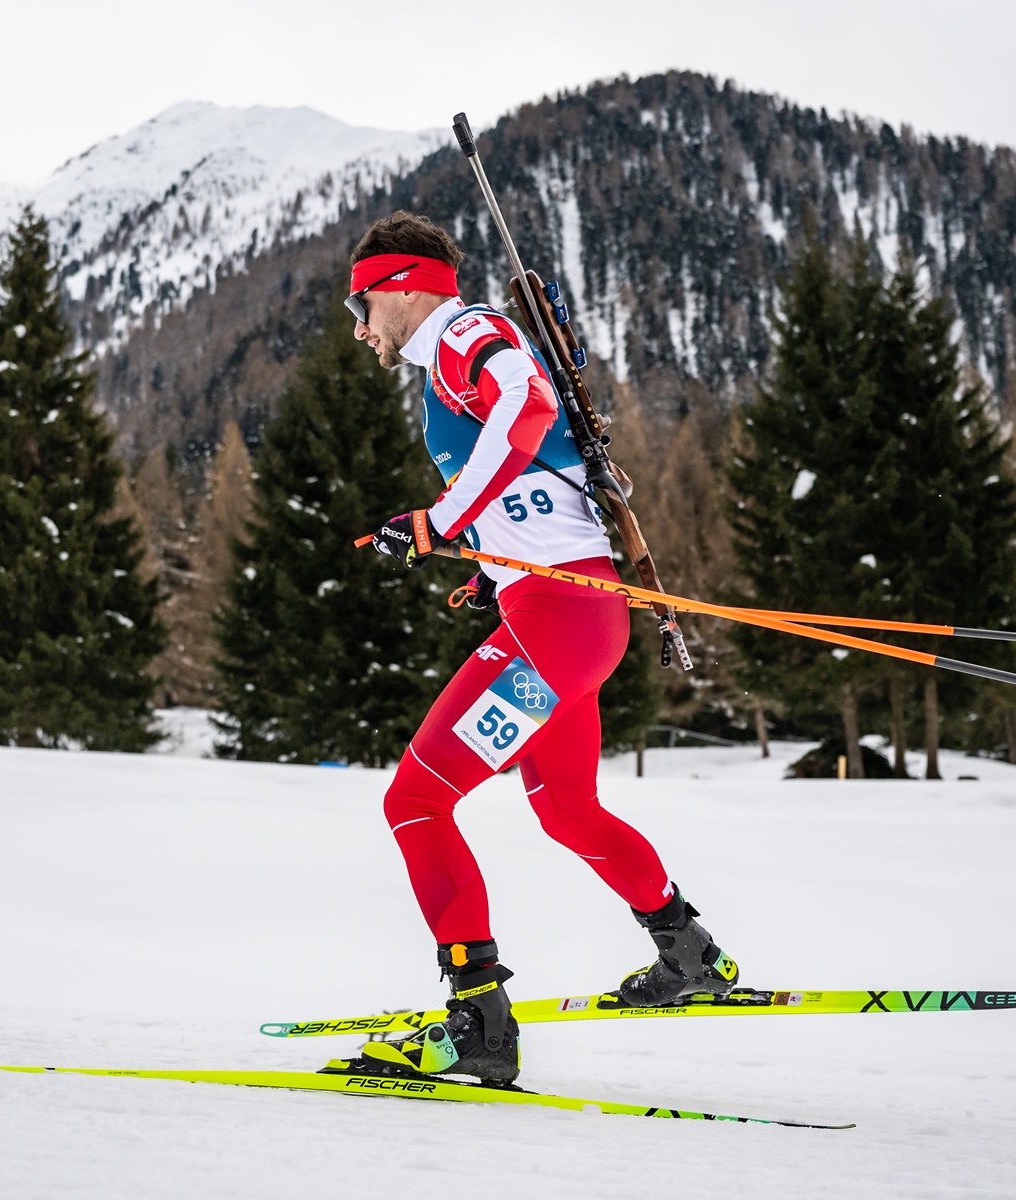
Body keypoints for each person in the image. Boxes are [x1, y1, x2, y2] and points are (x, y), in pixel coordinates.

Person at [347, 212, 738, 1085]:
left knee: (415, 802)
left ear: (402, 285)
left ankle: (476, 1022)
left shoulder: (461, 333)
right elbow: (533, 476)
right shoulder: (448, 355)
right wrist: (487, 562)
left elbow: (525, 405)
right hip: (571, 620)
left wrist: (442, 521)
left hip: (557, 624)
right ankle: (688, 955)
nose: (361, 327)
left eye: (361, 304)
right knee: (562, 808)